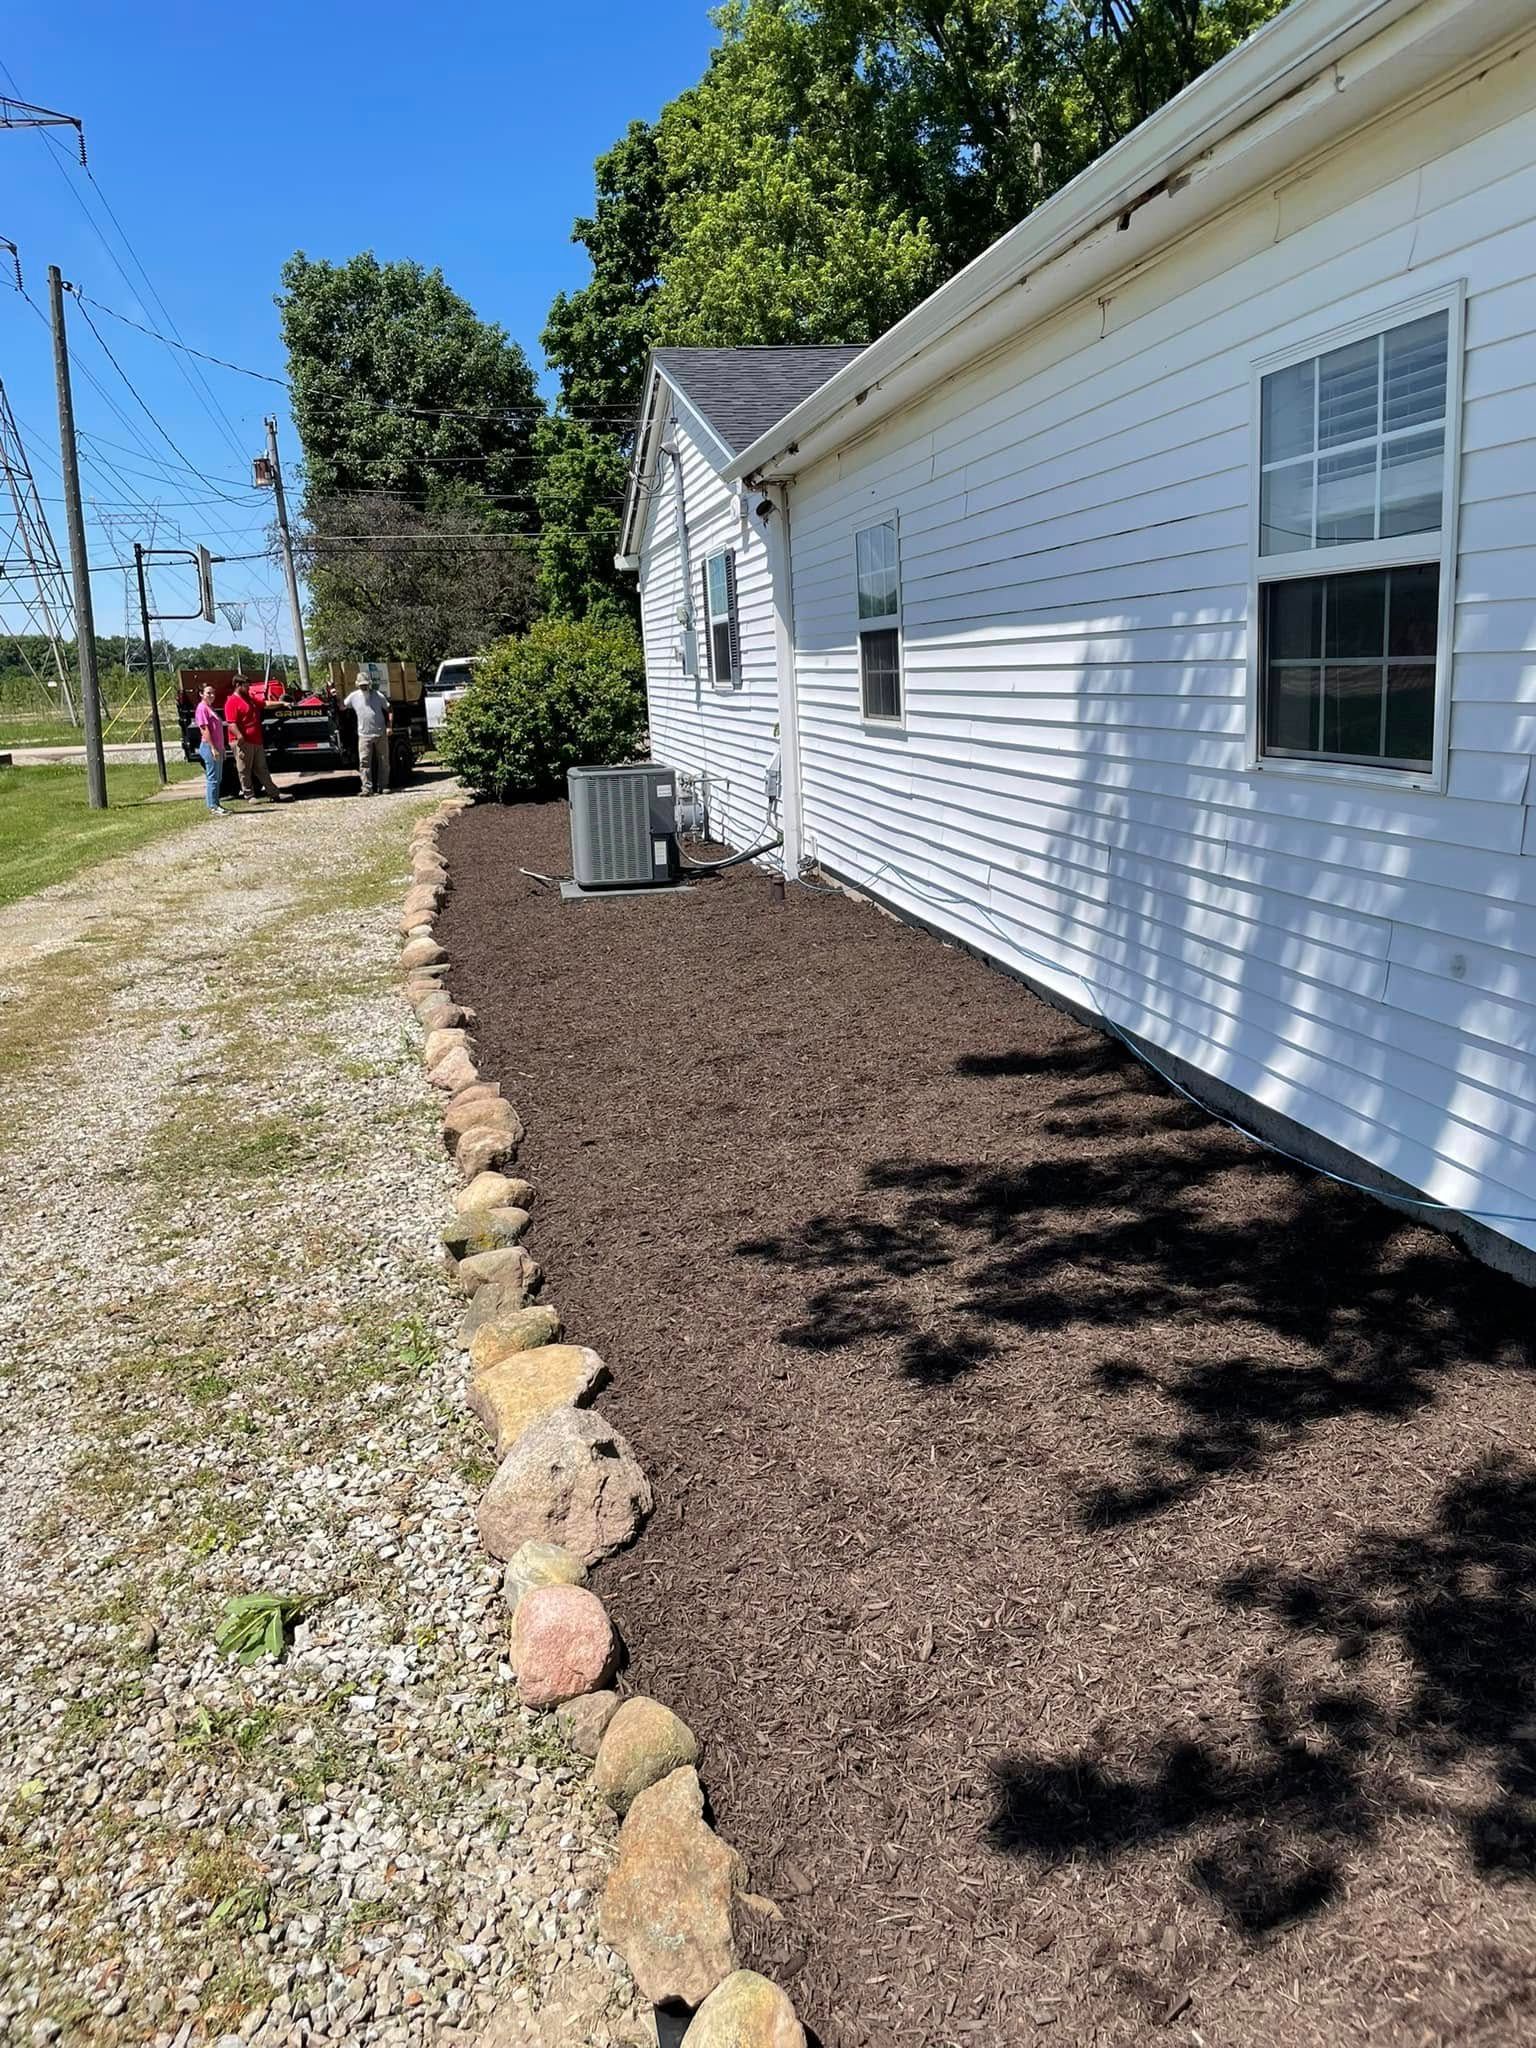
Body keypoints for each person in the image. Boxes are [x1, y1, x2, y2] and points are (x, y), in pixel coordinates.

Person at [224, 677, 288, 803]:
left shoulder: (249, 699)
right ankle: (249, 795)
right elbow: (231, 723)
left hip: (256, 740)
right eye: (246, 685)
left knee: (262, 768)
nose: (248, 688)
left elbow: (265, 704)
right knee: (244, 769)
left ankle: (274, 794)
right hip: (243, 742)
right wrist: (239, 736)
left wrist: (282, 703)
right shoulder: (231, 702)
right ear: (238, 685)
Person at [345, 672, 391, 796]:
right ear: (357, 684)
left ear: (369, 684)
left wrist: (389, 726)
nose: (363, 687)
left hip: (380, 733)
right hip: (364, 735)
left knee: (384, 760)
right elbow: (342, 707)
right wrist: (333, 695)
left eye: (365, 684)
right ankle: (366, 788)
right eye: (361, 685)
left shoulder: (378, 695)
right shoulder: (353, 696)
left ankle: (384, 786)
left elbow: (389, 709)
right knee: (364, 762)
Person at [192, 682, 227, 816]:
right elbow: (204, 729)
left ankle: (216, 803)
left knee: (218, 777)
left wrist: (222, 748)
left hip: (218, 746)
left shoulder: (210, 708)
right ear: (201, 694)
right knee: (212, 777)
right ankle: (213, 806)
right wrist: (213, 748)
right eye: (208, 693)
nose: (212, 695)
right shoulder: (201, 708)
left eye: (213, 693)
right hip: (209, 746)